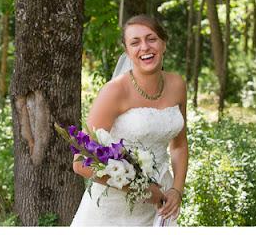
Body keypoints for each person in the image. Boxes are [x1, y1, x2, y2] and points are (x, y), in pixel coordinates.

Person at [70, 14, 188, 226]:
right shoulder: (114, 91)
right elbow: (80, 163)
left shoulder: (177, 85)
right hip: (113, 210)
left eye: (151, 39)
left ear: (163, 44)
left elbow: (179, 146)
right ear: (127, 51)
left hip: (161, 204)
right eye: (135, 42)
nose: (145, 47)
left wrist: (177, 190)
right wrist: (140, 189)